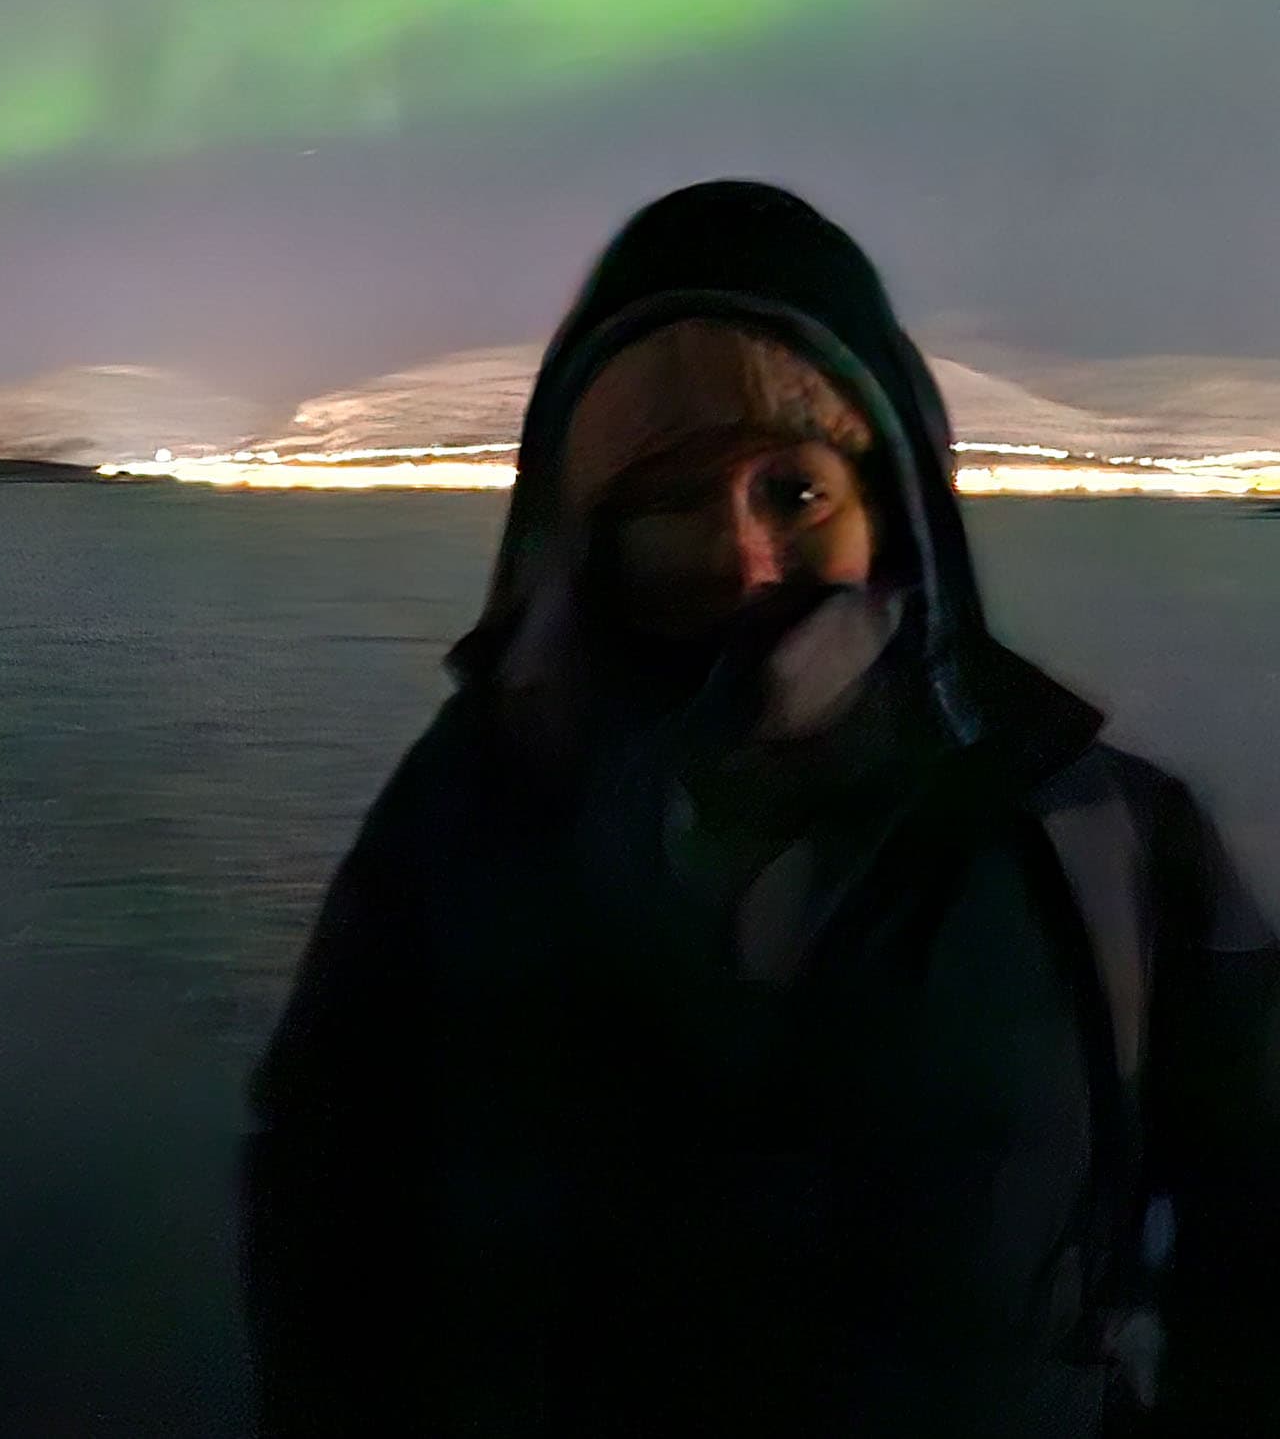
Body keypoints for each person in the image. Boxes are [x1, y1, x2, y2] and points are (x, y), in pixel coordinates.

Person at [238, 179, 1280, 1438]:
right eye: (673, 500)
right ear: (587, 530)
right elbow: (325, 1225)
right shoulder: (463, 820)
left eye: (790, 492)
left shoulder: (1094, 835)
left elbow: (1256, 1229)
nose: (741, 557)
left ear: (885, 501)